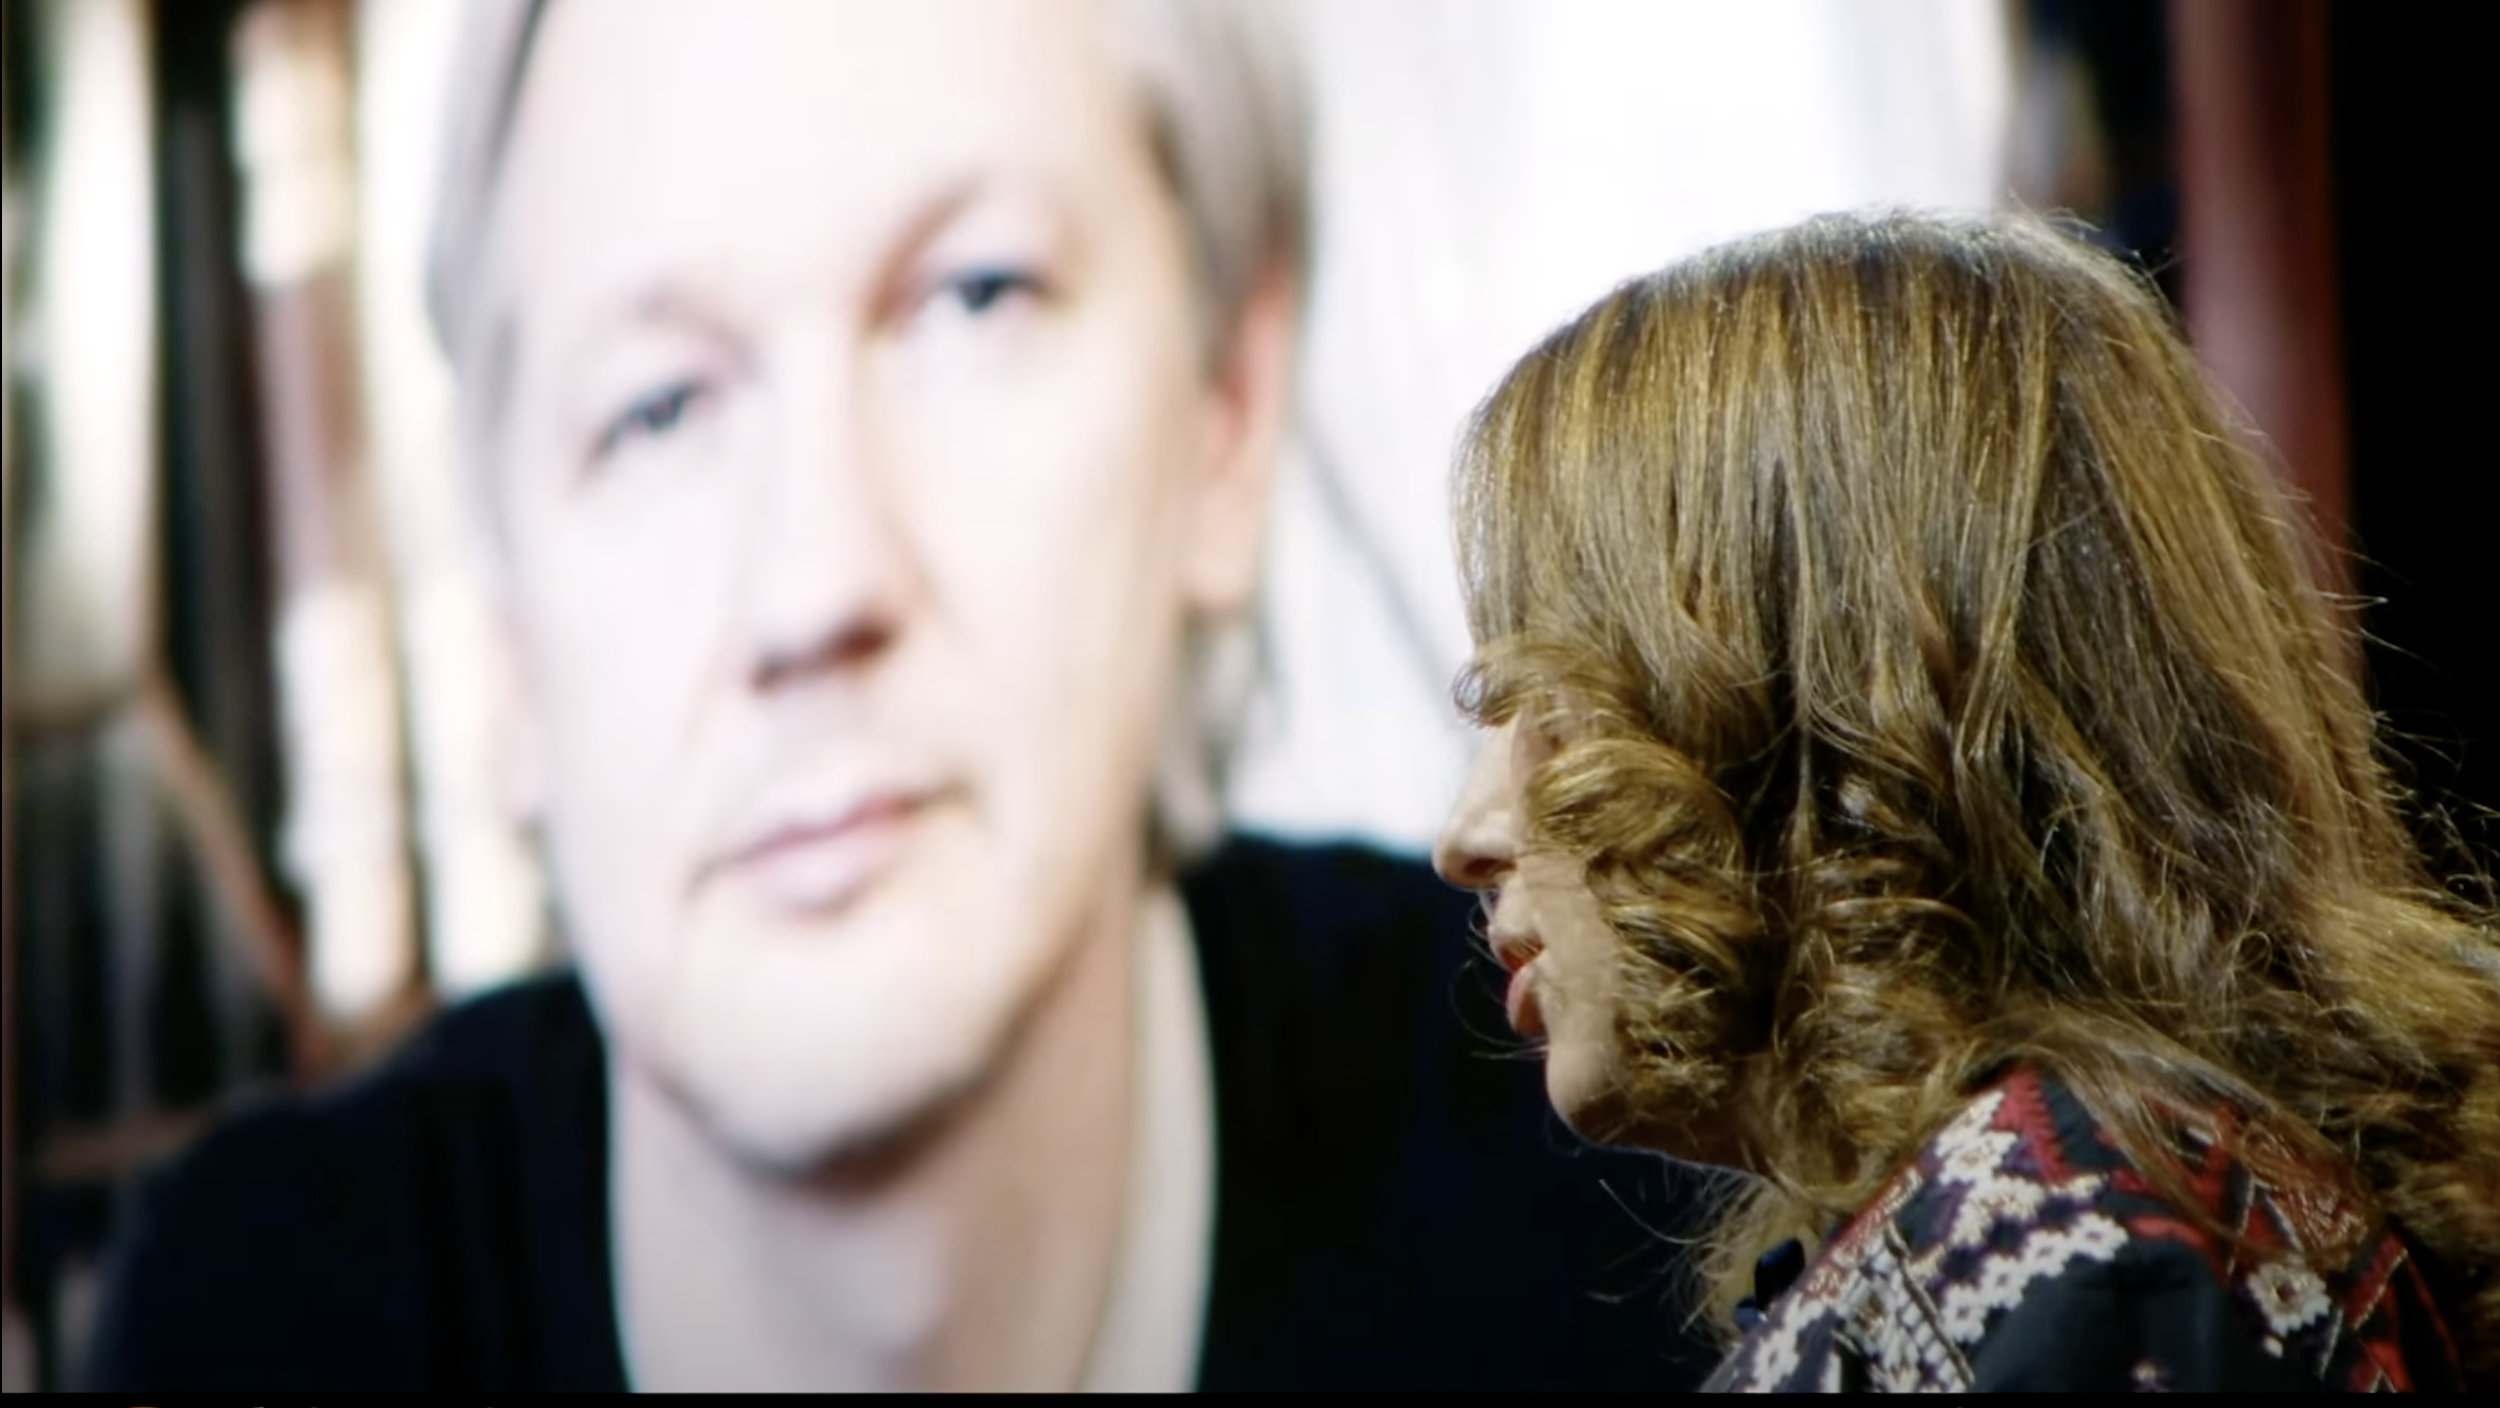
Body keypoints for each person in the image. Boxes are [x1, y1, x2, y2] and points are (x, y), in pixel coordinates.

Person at [79, 0, 1720, 1392]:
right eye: (656, 408)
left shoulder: (1650, 1202)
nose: (818, 583)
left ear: (1226, 404)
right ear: (503, 612)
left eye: (972, 300)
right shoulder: (250, 1328)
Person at [1433, 211, 2499, 1393]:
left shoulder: (2082, 1254)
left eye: (1535, 700)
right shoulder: (2107, 1219)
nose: (1464, 838)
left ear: (1809, 706)